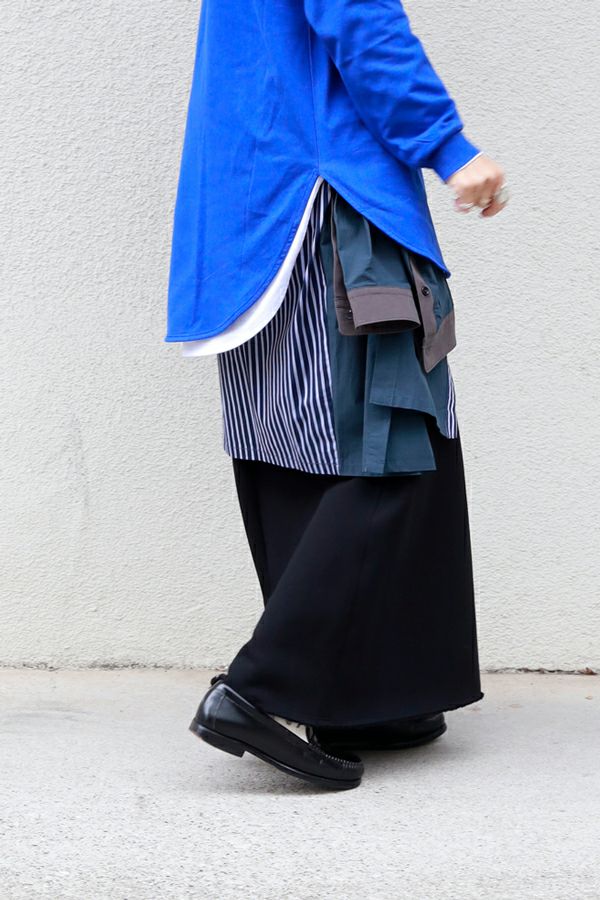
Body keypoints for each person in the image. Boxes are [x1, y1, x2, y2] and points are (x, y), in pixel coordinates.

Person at [166, 0, 508, 790]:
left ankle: (356, 700)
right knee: (391, 448)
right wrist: (448, 145)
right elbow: (359, 18)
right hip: (325, 199)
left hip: (252, 212)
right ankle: (265, 693)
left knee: (298, 456)